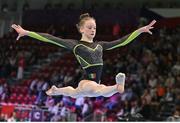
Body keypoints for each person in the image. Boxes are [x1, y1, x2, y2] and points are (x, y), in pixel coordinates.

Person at [11, 13, 156, 98]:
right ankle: (117, 86)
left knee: (79, 93)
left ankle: (57, 90)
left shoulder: (101, 45)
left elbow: (122, 41)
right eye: (89, 27)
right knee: (95, 90)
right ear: (81, 29)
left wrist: (140, 30)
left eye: (94, 27)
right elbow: (50, 38)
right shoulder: (76, 45)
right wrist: (27, 32)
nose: (93, 30)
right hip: (86, 80)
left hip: (94, 83)